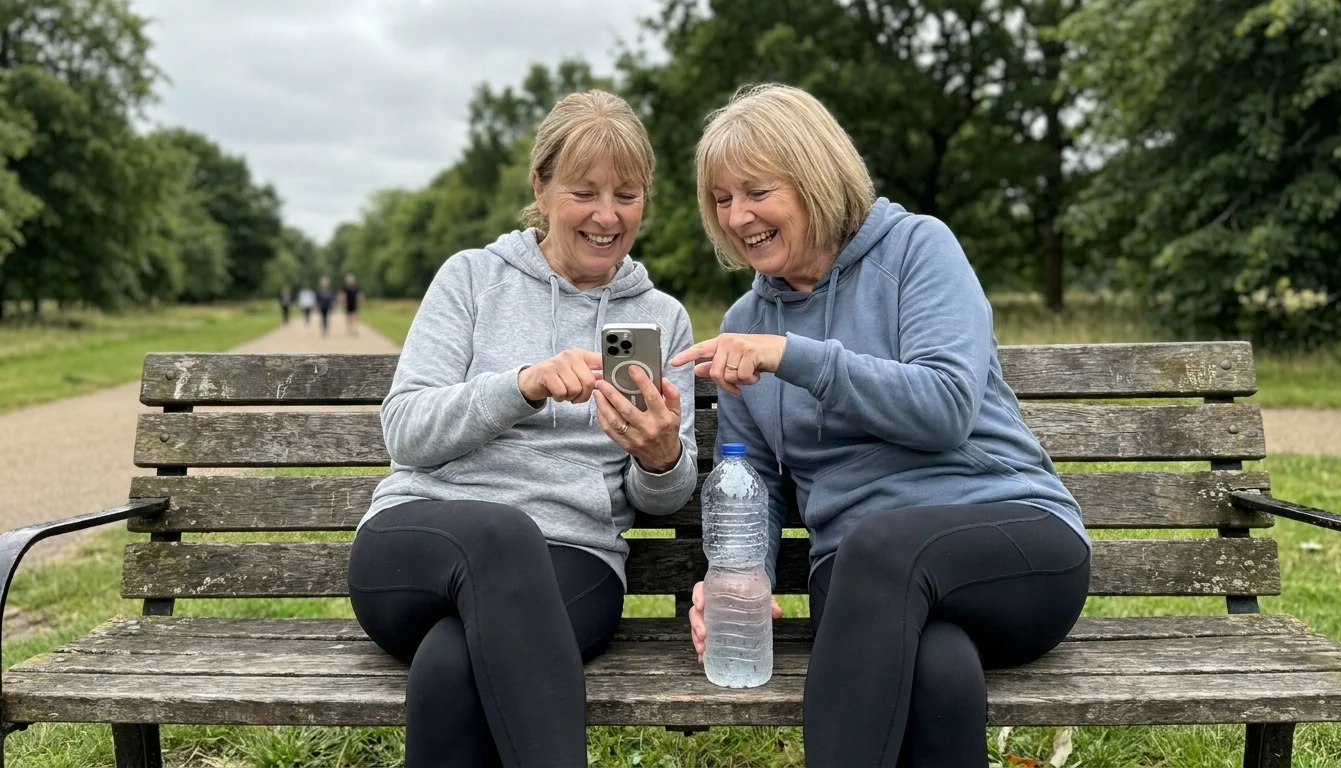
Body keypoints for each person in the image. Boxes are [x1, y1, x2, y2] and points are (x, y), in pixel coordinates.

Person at [670, 84, 1091, 768]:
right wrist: (741, 577)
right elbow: (756, 482)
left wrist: (796, 357)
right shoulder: (745, 326)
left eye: (756, 191)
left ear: (812, 176)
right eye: (722, 199)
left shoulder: (917, 251)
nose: (739, 215)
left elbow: (946, 407)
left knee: (881, 546)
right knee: (938, 664)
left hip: (1012, 542)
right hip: (865, 584)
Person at [349, 89, 698, 767]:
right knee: (504, 532)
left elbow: (661, 500)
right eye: (584, 192)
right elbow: (407, 433)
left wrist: (659, 456)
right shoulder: (472, 280)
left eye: (627, 194)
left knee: (450, 667)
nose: (607, 215)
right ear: (540, 188)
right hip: (420, 542)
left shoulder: (662, 317)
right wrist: (523, 385)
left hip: (573, 562)